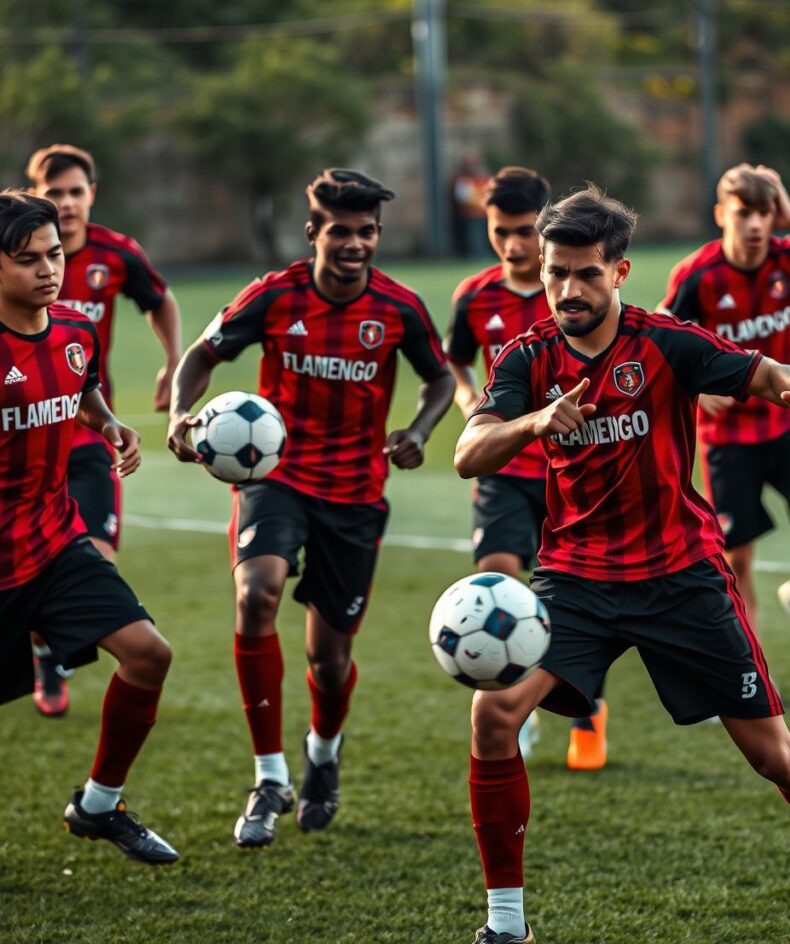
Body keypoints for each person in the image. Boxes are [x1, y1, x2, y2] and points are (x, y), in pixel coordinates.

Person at [453, 185, 790, 944]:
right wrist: (533, 420)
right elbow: (468, 453)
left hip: (680, 575)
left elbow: (759, 371)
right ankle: (506, 925)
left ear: (619, 272)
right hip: (577, 581)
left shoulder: (664, 341)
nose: (567, 289)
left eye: (585, 274)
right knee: (494, 713)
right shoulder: (528, 358)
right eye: (557, 273)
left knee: (778, 761)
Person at [168, 168, 455, 847]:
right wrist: (183, 414)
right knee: (256, 594)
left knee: (328, 659)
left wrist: (417, 432)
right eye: (340, 232)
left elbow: (440, 376)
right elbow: (202, 355)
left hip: (355, 494)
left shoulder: (398, 308)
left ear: (377, 236)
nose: (354, 244)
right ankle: (270, 776)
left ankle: (322, 754)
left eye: (366, 233)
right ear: (314, 234)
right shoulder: (273, 296)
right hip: (278, 476)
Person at [0, 191, 176, 863]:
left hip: (53, 541)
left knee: (149, 654)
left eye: (53, 256)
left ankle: (99, 804)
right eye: (26, 261)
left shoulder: (75, 328)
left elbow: (81, 386)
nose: (48, 271)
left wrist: (108, 423)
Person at [659, 164, 790, 668]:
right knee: (737, 559)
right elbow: (659, 340)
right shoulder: (697, 275)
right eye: (744, 212)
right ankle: (754, 677)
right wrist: (695, 390)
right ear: (720, 214)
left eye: (765, 213)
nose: (755, 224)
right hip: (728, 437)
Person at [446, 165, 608, 770]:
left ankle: (588, 715)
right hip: (505, 469)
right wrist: (469, 402)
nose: (512, 245)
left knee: (580, 596)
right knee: (496, 577)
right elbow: (457, 361)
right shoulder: (474, 295)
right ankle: (519, 702)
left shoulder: (577, 295)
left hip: (574, 469)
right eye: (499, 232)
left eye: (523, 232)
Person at [25, 144, 181, 716]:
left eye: (75, 191)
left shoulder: (116, 255)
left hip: (87, 433)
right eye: (54, 192)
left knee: (95, 561)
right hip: (21, 444)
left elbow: (160, 302)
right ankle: (45, 655)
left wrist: (172, 360)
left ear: (92, 194)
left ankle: (50, 658)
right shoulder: (16, 262)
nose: (66, 203)